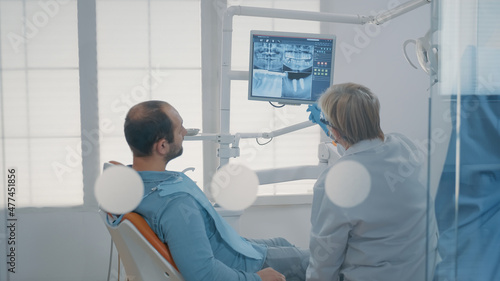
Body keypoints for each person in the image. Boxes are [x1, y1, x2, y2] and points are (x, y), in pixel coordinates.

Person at [123, 100, 309, 281]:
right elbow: (204, 274)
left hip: (236, 249)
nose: (185, 132)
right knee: (323, 261)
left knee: (283, 243)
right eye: (180, 130)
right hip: (244, 266)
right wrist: (255, 278)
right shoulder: (176, 204)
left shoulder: (137, 183)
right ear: (162, 146)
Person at [306, 83, 438, 281]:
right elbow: (367, 153)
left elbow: (323, 263)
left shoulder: (333, 182)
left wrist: (337, 134)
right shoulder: (406, 147)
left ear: (336, 130)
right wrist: (336, 133)